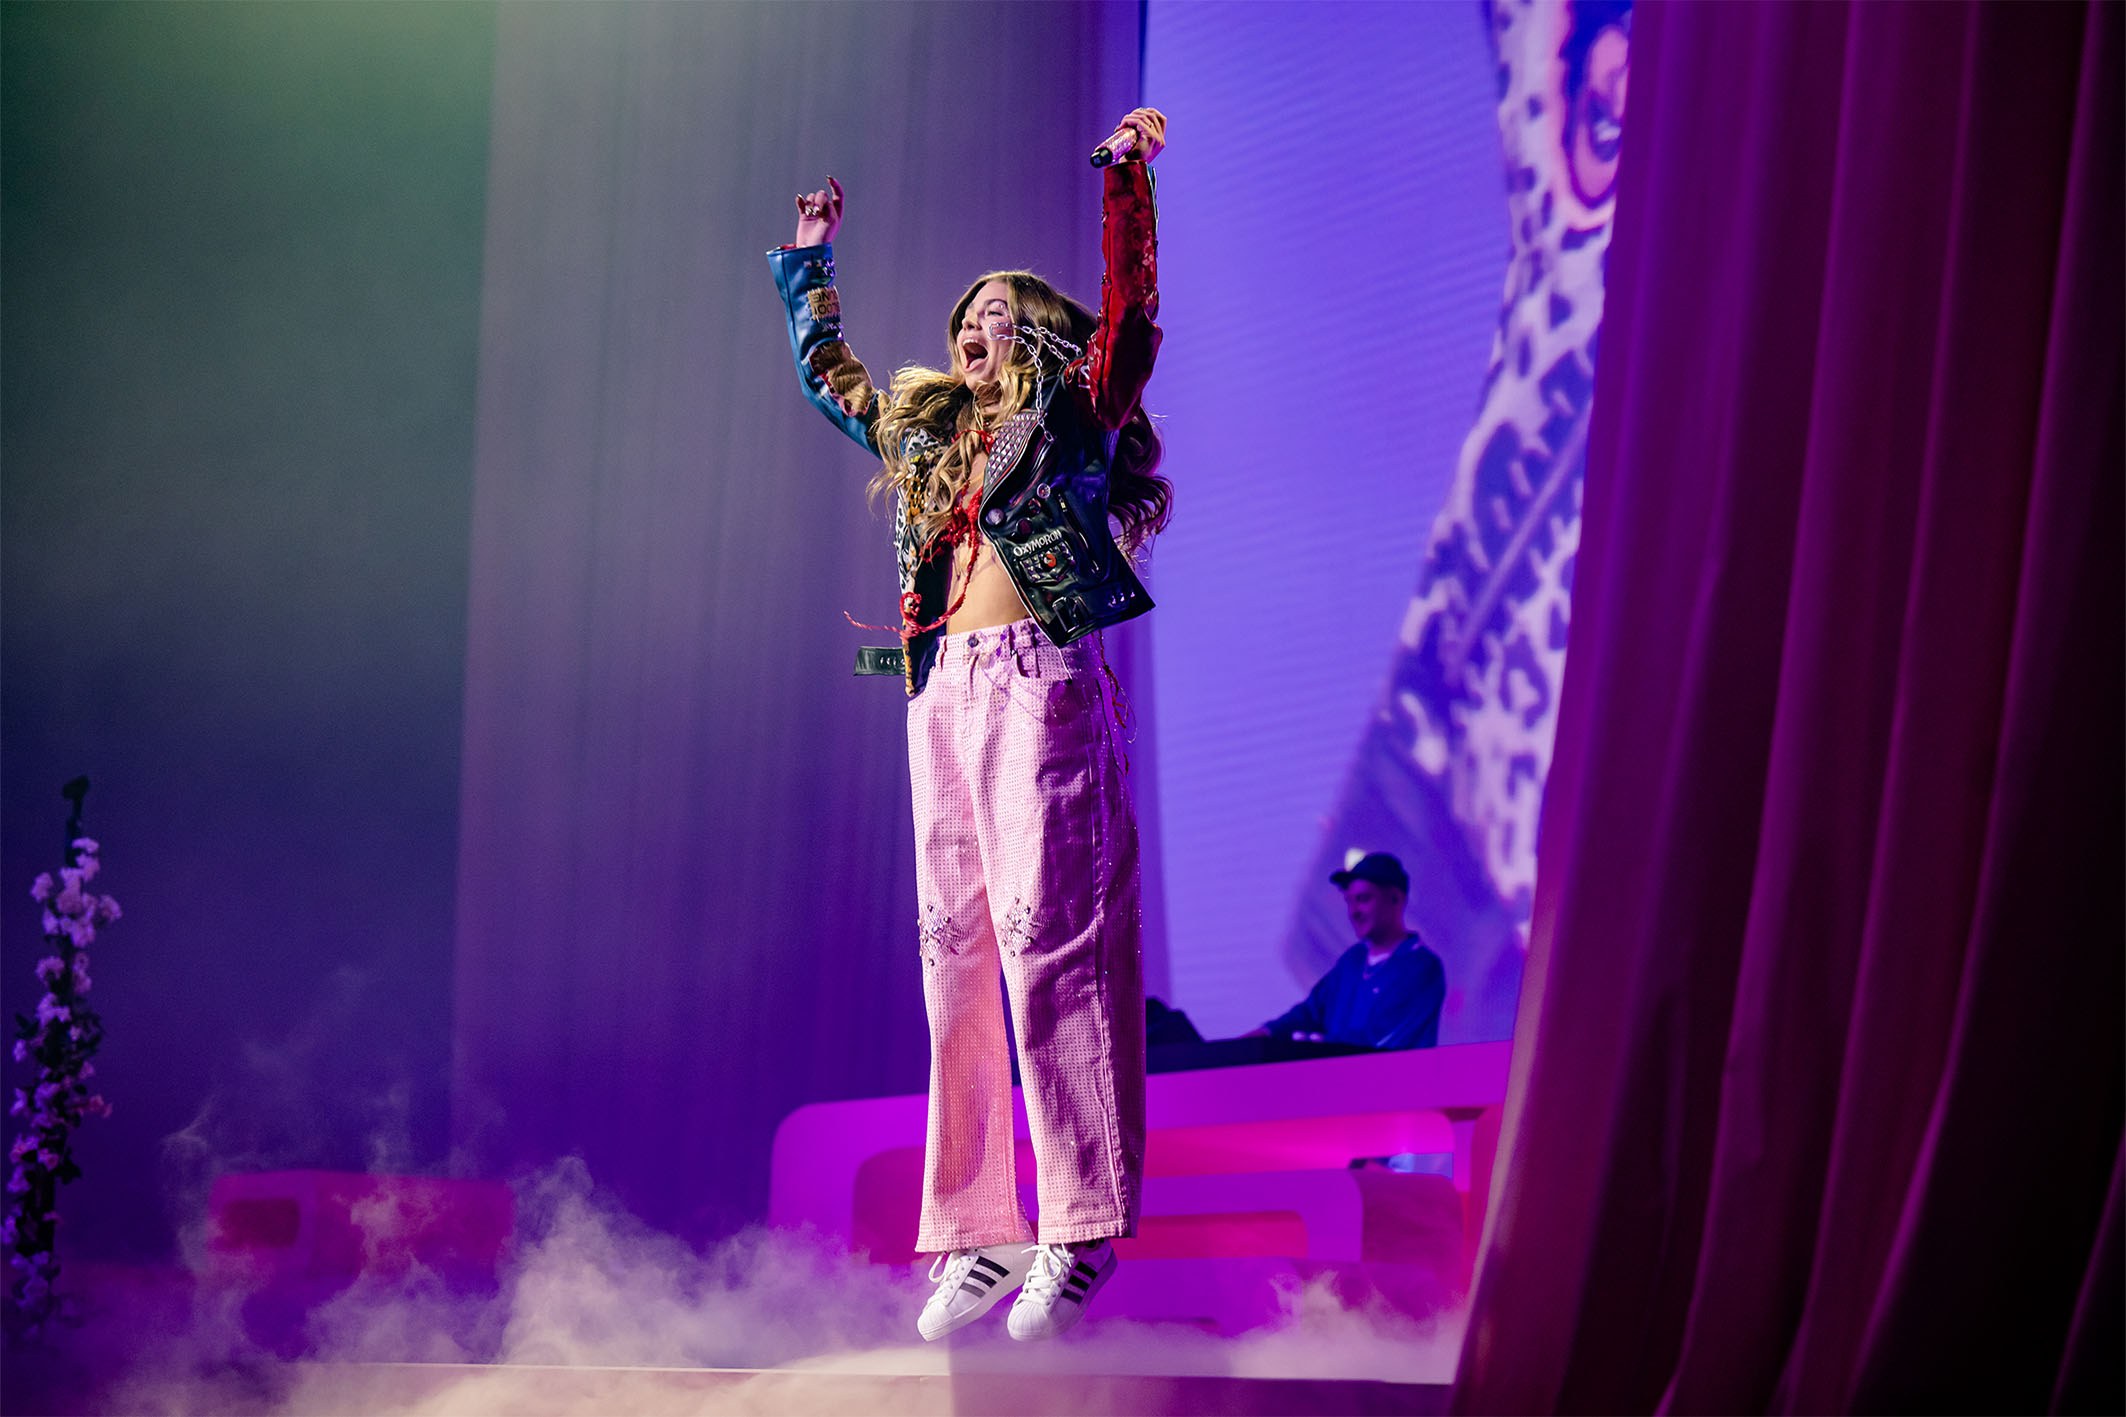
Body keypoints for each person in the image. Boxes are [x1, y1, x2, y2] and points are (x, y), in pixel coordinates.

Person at [768, 108, 1170, 1343]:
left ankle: (1079, 1224)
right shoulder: (931, 436)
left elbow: (1128, 323)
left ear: (1036, 336)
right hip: (938, 692)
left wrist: (1123, 183)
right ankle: (978, 1226)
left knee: (1053, 948)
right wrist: (810, 270)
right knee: (953, 960)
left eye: (1000, 313)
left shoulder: (1072, 415)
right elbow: (835, 383)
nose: (975, 326)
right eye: (967, 315)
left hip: (1040, 685)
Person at [1250, 853, 1446, 1050]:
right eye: (1349, 902)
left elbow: (1381, 1044)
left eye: (1363, 899)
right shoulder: (1353, 961)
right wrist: (1262, 1035)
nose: (1354, 912)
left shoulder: (1421, 968)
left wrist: (1318, 1045)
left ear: (1396, 899)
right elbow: (1311, 1012)